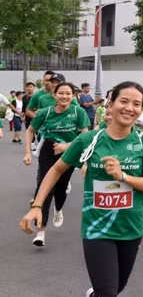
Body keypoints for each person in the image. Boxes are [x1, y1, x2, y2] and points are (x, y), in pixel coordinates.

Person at [20, 81, 143, 297]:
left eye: (137, 104)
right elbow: (56, 170)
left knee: (117, 287)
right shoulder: (89, 140)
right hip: (97, 229)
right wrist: (37, 204)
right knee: (108, 294)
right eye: (124, 101)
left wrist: (123, 177)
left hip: (131, 228)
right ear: (110, 104)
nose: (130, 108)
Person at [22, 81, 90, 245]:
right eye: (61, 93)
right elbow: (30, 130)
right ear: (54, 95)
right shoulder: (45, 113)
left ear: (73, 96)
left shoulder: (79, 112)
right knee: (43, 186)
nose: (64, 96)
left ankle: (58, 209)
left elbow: (85, 137)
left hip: (69, 153)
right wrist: (27, 153)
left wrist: (68, 147)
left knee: (61, 188)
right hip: (48, 150)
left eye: (68, 93)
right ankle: (41, 232)